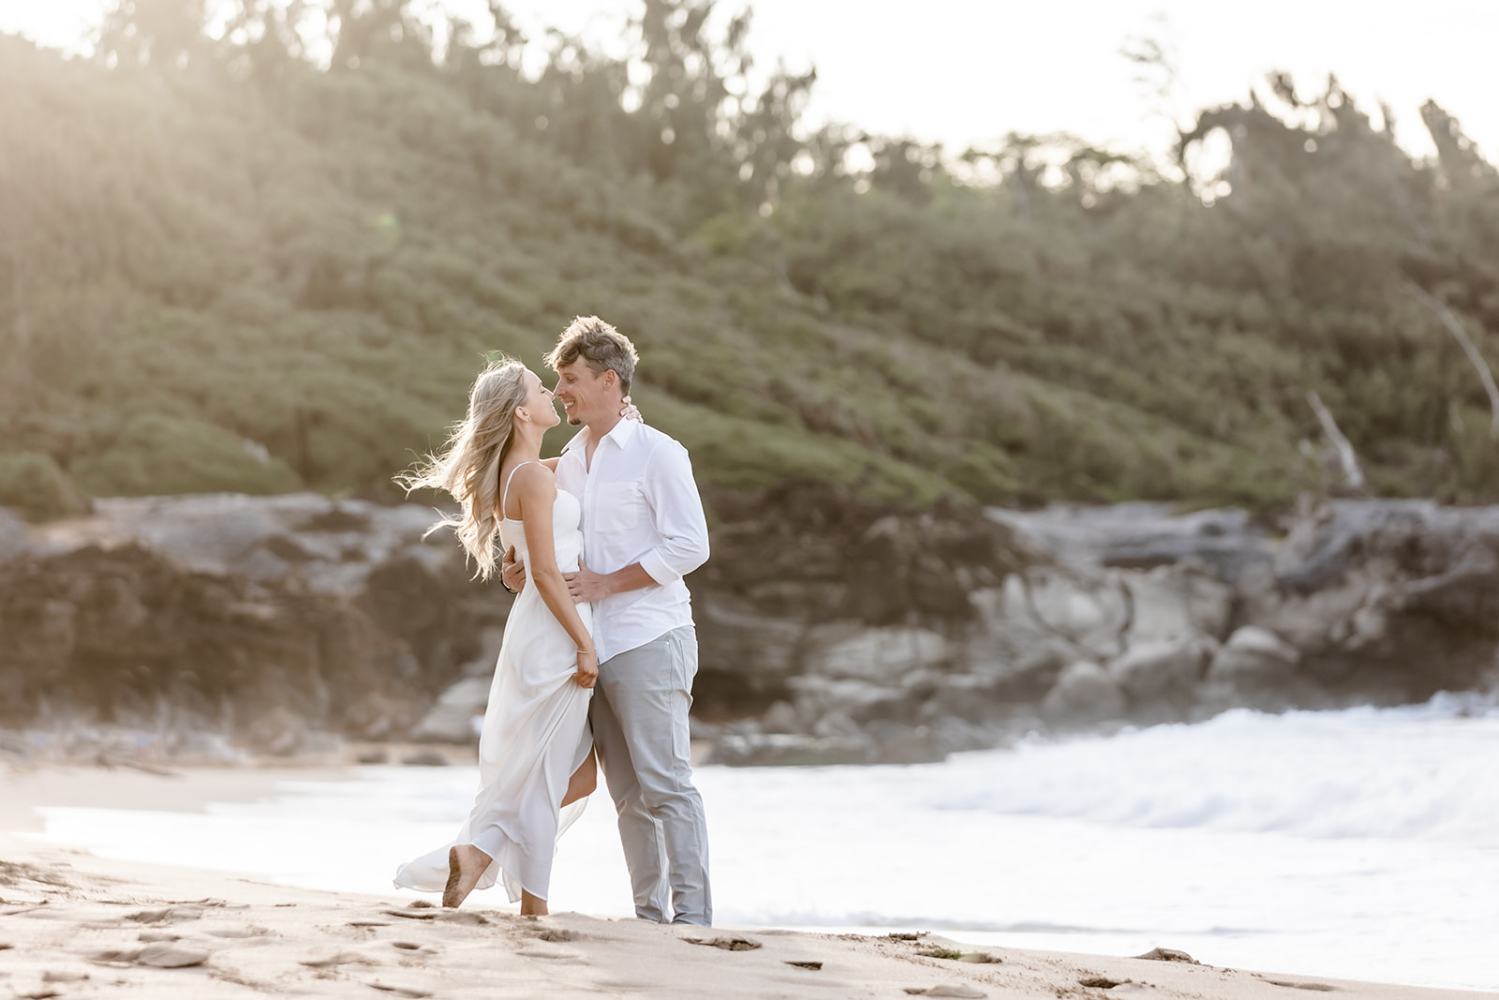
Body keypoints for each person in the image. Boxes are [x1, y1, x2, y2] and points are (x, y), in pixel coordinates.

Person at [502, 315, 713, 925]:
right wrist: (525, 572)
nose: (561, 390)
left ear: (610, 382)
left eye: (569, 379)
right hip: (590, 644)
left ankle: (694, 920)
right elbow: (561, 548)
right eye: (558, 381)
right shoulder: (567, 461)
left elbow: (689, 546)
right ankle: (650, 917)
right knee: (627, 796)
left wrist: (607, 582)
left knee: (667, 785)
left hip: (650, 635)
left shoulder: (658, 453)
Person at [391, 358, 604, 914]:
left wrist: (619, 421)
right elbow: (545, 572)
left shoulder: (525, 470)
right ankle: (534, 905)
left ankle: (482, 848)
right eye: (541, 389)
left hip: (537, 626)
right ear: (520, 410)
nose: (552, 393)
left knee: (577, 775)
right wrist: (584, 642)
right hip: (554, 633)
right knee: (549, 775)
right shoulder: (531, 476)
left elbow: (521, 562)